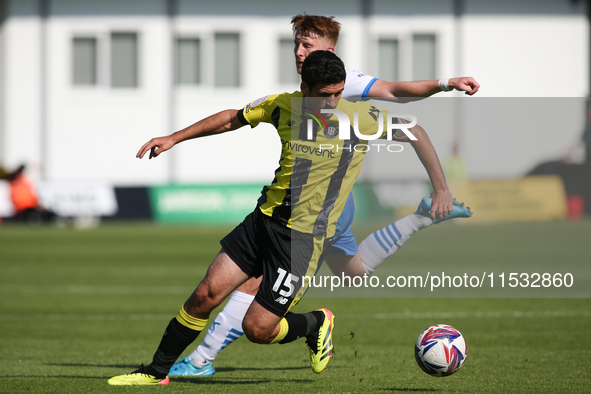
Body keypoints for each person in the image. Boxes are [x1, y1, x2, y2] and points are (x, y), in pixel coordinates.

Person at [108, 50, 456, 385]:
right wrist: (175, 137)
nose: (332, 102)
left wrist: (440, 188)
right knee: (205, 295)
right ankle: (155, 373)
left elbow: (416, 132)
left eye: (337, 94)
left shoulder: (360, 118)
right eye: (324, 95)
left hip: (303, 240)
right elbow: (233, 117)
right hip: (262, 222)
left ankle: (316, 323)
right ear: (304, 89)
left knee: (257, 329)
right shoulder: (283, 105)